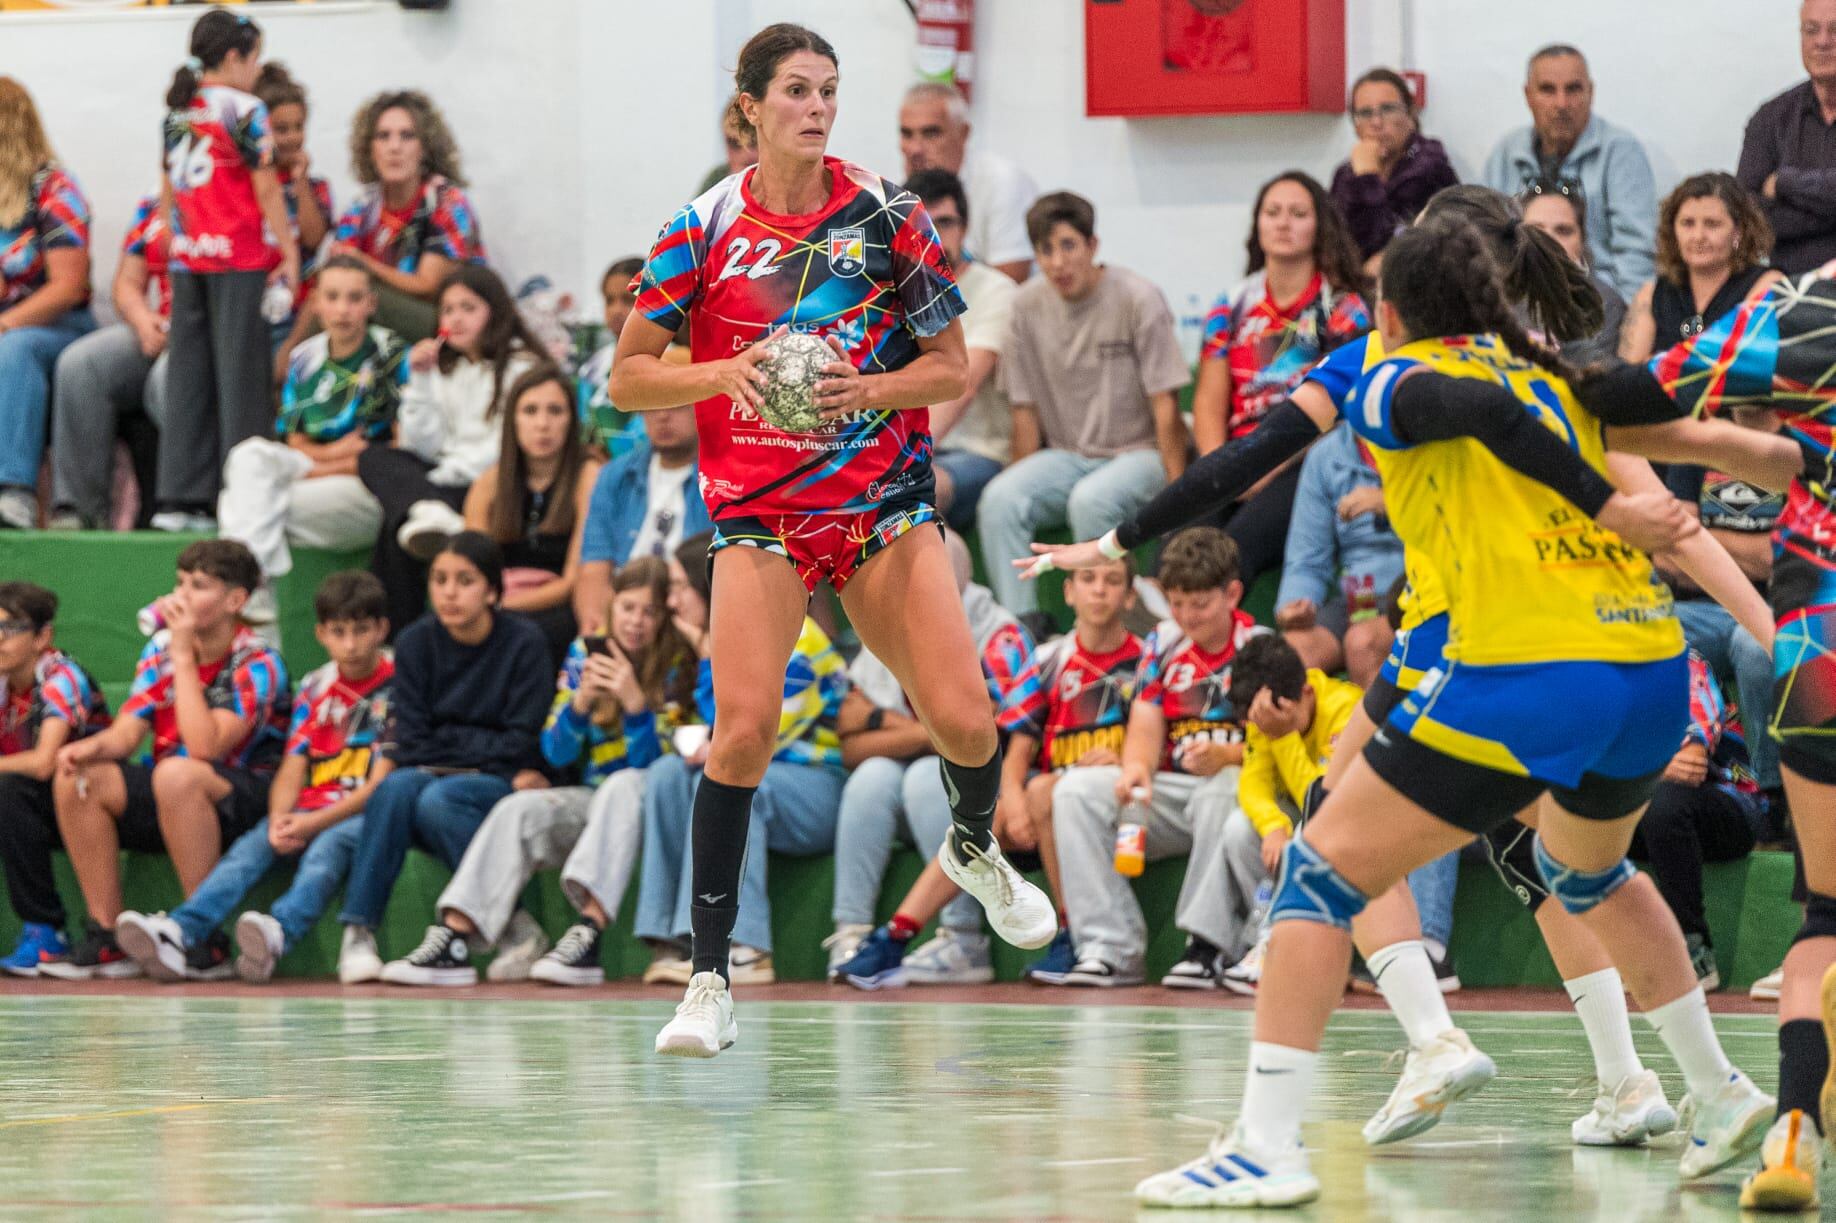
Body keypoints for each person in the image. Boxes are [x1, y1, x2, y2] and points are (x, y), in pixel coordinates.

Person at [1028, 185, 1792, 1173]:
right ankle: (1712, 1083)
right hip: (1645, 666)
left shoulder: (1389, 377)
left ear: (1390, 304)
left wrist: (1620, 500)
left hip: (1524, 663)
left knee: (1320, 863)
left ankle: (1271, 1142)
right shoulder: (1552, 370)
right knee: (1582, 867)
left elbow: (1268, 452)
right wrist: (1782, 468)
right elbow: (1691, 441)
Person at [612, 22, 1057, 1057]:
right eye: (798, 91)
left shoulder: (890, 216)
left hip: (880, 504)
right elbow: (629, 375)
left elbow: (950, 366)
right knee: (741, 731)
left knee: (966, 721)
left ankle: (977, 846)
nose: (817, 108)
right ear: (751, 107)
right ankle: (710, 979)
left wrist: (872, 386)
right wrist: (720, 372)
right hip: (760, 511)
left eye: (829, 90)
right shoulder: (703, 227)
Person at [1642, 264, 1836, 1210]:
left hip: (1818, 649)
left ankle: (1795, 1128)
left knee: (1827, 918)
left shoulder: (1810, 318)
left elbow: (1653, 406)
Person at [381, 557, 696, 987]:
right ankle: (455, 935)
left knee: (624, 784)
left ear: (664, 618)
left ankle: (589, 934)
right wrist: (580, 706)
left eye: (649, 612)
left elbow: (659, 772)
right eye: (627, 608)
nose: (636, 622)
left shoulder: (681, 662)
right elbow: (556, 752)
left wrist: (637, 707)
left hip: (654, 808)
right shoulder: (587, 652)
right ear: (611, 607)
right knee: (521, 808)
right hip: (597, 801)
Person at [114, 572, 393, 983]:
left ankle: (279, 930)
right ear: (320, 634)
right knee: (250, 849)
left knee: (325, 852)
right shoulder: (317, 687)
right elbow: (293, 766)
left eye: (362, 630)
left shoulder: (397, 686)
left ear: (382, 629)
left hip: (358, 813)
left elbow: (381, 785)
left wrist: (311, 822)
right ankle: (182, 929)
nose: (350, 644)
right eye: (338, 632)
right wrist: (281, 817)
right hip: (307, 808)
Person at [46, 540, 291, 980]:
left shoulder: (257, 662)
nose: (180, 596)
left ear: (235, 600)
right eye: (179, 583)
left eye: (198, 586)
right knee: (80, 778)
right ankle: (108, 936)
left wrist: (182, 655)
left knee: (177, 774)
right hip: (171, 787)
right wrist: (88, 748)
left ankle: (201, 936)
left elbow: (205, 747)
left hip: (243, 794)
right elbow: (127, 731)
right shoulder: (159, 651)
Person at [1048, 529, 1269, 988]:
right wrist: (1133, 770)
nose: (1187, 617)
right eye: (1177, 603)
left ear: (1232, 594)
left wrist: (1227, 755)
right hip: (1175, 797)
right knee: (1074, 792)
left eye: (1200, 604)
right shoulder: (1164, 644)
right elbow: (1146, 728)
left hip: (1241, 793)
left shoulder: (1259, 648)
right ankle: (1111, 948)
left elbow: (1277, 748)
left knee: (1220, 789)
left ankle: (1208, 946)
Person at [825, 531, 1040, 987]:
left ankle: (963, 938)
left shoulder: (999, 637)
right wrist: (930, 733)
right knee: (872, 778)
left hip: (979, 785)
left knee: (928, 775)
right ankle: (852, 930)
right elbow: (851, 743)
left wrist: (889, 724)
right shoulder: (888, 617)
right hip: (915, 770)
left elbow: (1001, 739)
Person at [334, 532, 550, 983]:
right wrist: (468, 753)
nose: (449, 592)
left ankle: (515, 926)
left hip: (496, 783)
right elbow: (412, 739)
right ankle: (358, 933)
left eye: (464, 580)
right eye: (440, 579)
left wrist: (456, 754)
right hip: (441, 775)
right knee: (395, 786)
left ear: (492, 590)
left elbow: (521, 740)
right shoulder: (416, 642)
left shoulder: (525, 642)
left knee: (437, 798)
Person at [977, 191, 1191, 621]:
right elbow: (1024, 411)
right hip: (1067, 457)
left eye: (1068, 246)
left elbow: (1165, 404)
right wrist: (1021, 476)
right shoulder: (1024, 308)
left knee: (1090, 501)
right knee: (999, 499)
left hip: (1139, 453)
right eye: (1045, 250)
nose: (1057, 262)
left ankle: (1102, 636)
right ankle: (1022, 631)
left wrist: (1179, 500)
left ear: (1093, 246)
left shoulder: (1138, 297)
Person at [634, 602, 848, 991]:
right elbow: (680, 730)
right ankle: (673, 938)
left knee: (740, 784)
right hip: (765, 774)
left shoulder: (803, 642)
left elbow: (757, 738)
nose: (673, 602)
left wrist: (706, 662)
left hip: (816, 787)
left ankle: (745, 948)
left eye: (683, 588)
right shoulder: (720, 641)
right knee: (666, 774)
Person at [155, 8, 300, 532]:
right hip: (237, 256)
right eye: (254, 56)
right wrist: (287, 250)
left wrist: (177, 237)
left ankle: (179, 498)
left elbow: (168, 187)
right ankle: (244, 495)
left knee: (188, 376)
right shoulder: (246, 109)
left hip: (189, 253)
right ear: (234, 57)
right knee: (240, 378)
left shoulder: (177, 111)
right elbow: (264, 187)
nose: (258, 69)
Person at [1192, 172, 1369, 586]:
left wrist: (1261, 469)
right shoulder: (1231, 305)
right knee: (1173, 553)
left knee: (1230, 555)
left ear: (1319, 226)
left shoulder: (1345, 309)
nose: (1283, 223)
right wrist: (1219, 470)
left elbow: (1337, 414)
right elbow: (1207, 402)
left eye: (1297, 213)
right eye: (1272, 213)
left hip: (1302, 458)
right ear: (1257, 225)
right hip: (1235, 456)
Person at [357, 265, 541, 632]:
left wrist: (442, 478)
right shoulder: (443, 369)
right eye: (448, 310)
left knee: (398, 523)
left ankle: (394, 634)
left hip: (485, 483)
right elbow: (421, 445)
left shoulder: (523, 367)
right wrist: (421, 381)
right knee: (373, 456)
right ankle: (426, 510)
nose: (456, 319)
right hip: (440, 483)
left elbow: (507, 447)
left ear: (495, 311)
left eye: (468, 308)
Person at [217, 255, 402, 605]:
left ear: (371, 304)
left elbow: (393, 453)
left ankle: (251, 595)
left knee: (238, 505)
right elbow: (295, 441)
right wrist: (333, 455)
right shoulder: (303, 358)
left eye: (354, 298)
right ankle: (252, 594)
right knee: (248, 456)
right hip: (313, 470)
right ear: (315, 303)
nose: (342, 309)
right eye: (332, 297)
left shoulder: (389, 354)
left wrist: (328, 461)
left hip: (365, 485)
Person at [1626, 653, 1770, 991]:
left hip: (1728, 805)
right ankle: (1606, 955)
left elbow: (1690, 761)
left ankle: (1692, 950)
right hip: (1643, 805)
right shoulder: (1586, 675)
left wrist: (1624, 766)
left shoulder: (1678, 660)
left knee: (1664, 799)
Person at [1481, 43, 1656, 298]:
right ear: (1528, 96)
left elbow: (1636, 256)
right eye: (1548, 90)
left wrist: (1622, 322)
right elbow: (1486, 244)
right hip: (1517, 304)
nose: (1562, 104)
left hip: (1596, 307)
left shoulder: (1621, 152)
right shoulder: (1505, 153)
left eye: (1573, 89)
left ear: (1591, 93)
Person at [0, 582, 109, 976]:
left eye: (10, 629)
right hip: (27, 803)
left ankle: (45, 933)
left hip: (85, 806)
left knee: (8, 791)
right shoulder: (4, 681)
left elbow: (44, 763)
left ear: (43, 636)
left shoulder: (62, 677)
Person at [459, 365, 601, 664]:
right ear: (512, 419)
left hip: (555, 606)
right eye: (530, 411)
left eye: (555, 411)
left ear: (572, 420)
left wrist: (502, 606)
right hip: (494, 601)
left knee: (530, 634)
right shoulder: (489, 482)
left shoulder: (588, 476)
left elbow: (572, 581)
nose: (543, 424)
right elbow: (471, 569)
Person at [0, 77, 94, 530]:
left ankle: (14, 490)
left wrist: (6, 324)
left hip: (60, 325)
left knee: (15, 349)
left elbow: (67, 287)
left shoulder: (54, 188)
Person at [48, 192, 170, 530]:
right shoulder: (153, 208)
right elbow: (127, 285)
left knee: (169, 379)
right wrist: (144, 320)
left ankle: (182, 508)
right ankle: (79, 512)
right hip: (160, 325)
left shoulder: (268, 202)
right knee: (81, 365)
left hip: (213, 337)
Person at [323, 89, 484, 341]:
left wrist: (365, 264)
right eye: (383, 137)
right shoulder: (363, 205)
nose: (394, 147)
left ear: (425, 147)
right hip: (382, 328)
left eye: (407, 136)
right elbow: (335, 275)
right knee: (337, 300)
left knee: (361, 298)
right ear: (369, 148)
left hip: (448, 325)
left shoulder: (445, 201)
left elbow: (429, 287)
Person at [907, 168, 1016, 531]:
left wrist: (904, 458)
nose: (935, 236)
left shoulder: (996, 290)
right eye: (925, 225)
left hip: (978, 453)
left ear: (965, 228)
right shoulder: (894, 293)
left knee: (912, 488)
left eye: (946, 222)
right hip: (911, 449)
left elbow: (963, 385)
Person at [1274, 422, 1403, 686]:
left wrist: (1392, 503)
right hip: (1357, 596)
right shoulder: (1326, 455)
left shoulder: (1434, 443)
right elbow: (1307, 561)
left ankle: (1376, 729)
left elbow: (1459, 525)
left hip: (1414, 589)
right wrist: (1296, 606)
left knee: (1363, 643)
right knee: (1287, 655)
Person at [573, 399, 710, 631]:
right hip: (625, 621)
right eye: (653, 403)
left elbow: (713, 584)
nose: (663, 415)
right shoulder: (614, 474)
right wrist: (601, 636)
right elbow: (594, 567)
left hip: (690, 621)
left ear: (703, 407)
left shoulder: (724, 480)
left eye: (677, 403)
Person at [1621, 173, 1786, 364]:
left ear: (1738, 232)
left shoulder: (1766, 285)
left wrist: (1659, 364)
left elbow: (1743, 366)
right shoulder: (1652, 294)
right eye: (1687, 224)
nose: (1698, 236)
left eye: (1712, 224)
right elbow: (1628, 375)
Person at [897, 80, 1037, 282]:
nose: (915, 149)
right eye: (907, 134)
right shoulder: (897, 192)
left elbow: (1009, 287)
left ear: (963, 134)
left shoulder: (1002, 184)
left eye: (931, 133)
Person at [1737, 0, 1836, 277]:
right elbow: (1747, 215)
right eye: (1811, 30)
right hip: (1785, 290)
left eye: (1835, 30)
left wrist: (1784, 183)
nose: (1822, 42)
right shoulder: (1771, 119)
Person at [1329, 68, 1459, 267]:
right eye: (1365, 113)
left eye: (1388, 109)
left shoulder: (1430, 167)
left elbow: (1382, 243)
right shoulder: (1346, 173)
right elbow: (1334, 243)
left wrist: (1367, 179)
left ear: (1411, 115)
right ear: (1355, 126)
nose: (1376, 122)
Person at [253, 62, 331, 350]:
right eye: (281, 129)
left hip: (297, 317)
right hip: (254, 311)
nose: (293, 137)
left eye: (298, 127)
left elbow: (313, 238)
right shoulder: (249, 186)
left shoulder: (316, 187)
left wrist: (300, 183)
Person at [1517, 177, 1627, 366]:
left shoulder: (1606, 304)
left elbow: (1599, 381)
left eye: (1563, 230)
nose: (1548, 240)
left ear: (1582, 242)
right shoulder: (1491, 294)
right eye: (1536, 229)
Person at [578, 256, 644, 459]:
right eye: (609, 300)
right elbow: (583, 433)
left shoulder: (674, 360)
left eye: (628, 300)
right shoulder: (592, 369)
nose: (616, 310)